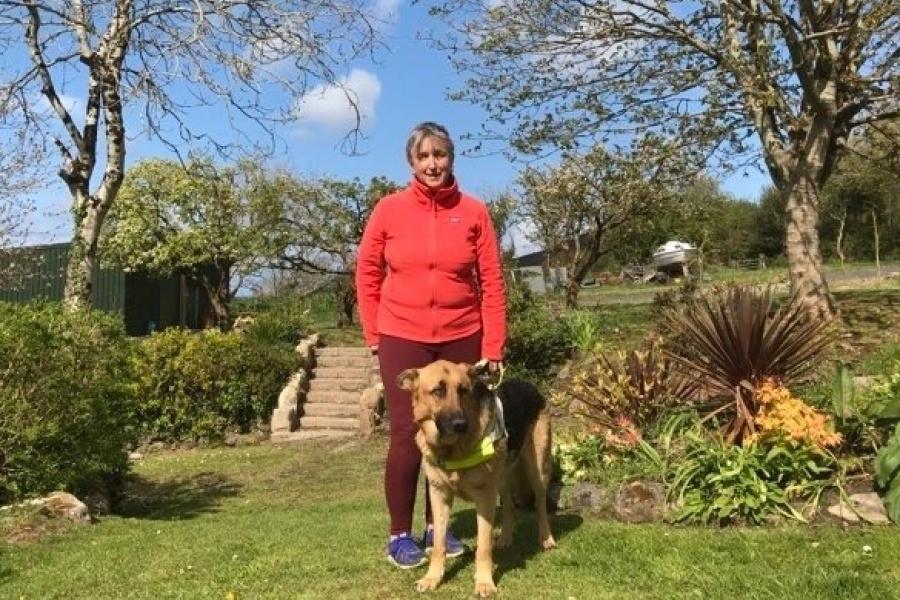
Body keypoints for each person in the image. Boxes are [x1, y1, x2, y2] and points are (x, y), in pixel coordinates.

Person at [355, 122, 507, 569]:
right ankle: (399, 535)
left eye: (439, 154)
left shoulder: (474, 212)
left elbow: (493, 282)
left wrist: (493, 344)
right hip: (402, 333)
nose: (432, 164)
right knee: (408, 431)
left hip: (463, 334)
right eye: (423, 156)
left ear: (451, 158)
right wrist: (373, 334)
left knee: (456, 430)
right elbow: (366, 271)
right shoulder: (388, 210)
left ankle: (435, 527)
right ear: (411, 162)